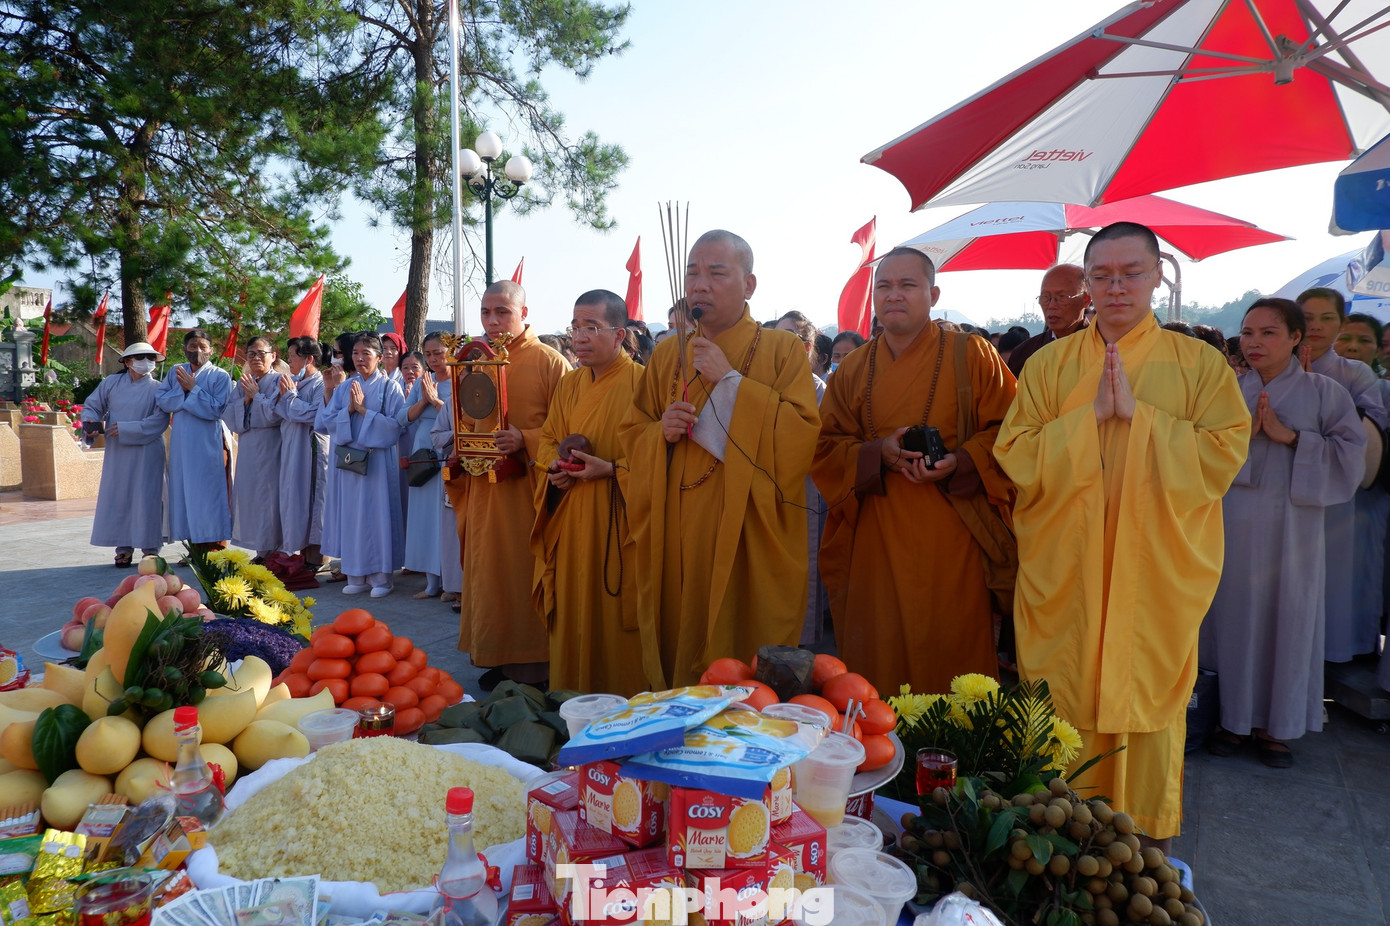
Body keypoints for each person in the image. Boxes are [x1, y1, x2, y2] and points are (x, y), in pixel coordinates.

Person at [994, 222, 1250, 845]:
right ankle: (1049, 842)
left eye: (1131, 273)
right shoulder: (1049, 365)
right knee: (1063, 688)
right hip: (1068, 568)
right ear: (1086, 284)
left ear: (1157, 275)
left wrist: (1143, 420)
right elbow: (1016, 454)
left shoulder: (1200, 365)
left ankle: (1143, 844)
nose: (1116, 287)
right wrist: (1089, 420)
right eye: (1102, 276)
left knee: (1144, 691)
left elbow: (1225, 453)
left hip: (1153, 568)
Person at [620, 230, 820, 688]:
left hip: (748, 528)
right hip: (675, 526)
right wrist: (661, 432)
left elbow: (799, 438)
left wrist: (730, 382)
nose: (700, 285)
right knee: (678, 639)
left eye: (716, 273)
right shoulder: (667, 352)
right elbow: (633, 431)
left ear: (749, 285)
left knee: (740, 658)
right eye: (692, 273)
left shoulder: (782, 349)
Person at [813, 248, 1017, 694]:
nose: (894, 295)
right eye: (884, 286)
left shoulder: (973, 355)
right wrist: (876, 454)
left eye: (907, 285)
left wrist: (961, 461)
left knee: (951, 650)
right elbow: (825, 446)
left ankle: (956, 738)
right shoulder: (853, 368)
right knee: (878, 650)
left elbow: (1013, 432)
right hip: (875, 535)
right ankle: (877, 731)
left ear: (933, 294)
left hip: (953, 533)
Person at [1201, 298, 1363, 768]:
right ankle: (1230, 720)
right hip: (1231, 524)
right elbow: (1198, 451)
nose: (1254, 342)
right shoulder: (1227, 390)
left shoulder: (1325, 393)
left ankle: (1277, 727)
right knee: (1231, 616)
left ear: (1296, 338)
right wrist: (1243, 436)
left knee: (1288, 618)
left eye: (1269, 332)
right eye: (1249, 332)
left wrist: (1293, 438)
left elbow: (1352, 458)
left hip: (1295, 533)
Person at [438, 281, 568, 688]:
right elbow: (470, 420)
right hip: (484, 488)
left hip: (527, 491)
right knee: (487, 571)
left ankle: (535, 666)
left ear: (523, 313)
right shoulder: (476, 361)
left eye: (502, 312)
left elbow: (571, 429)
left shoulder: (549, 362)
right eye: (486, 312)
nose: (492, 321)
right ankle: (499, 656)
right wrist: (463, 446)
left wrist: (524, 438)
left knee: (522, 572)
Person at [530, 290, 647, 694]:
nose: (579, 337)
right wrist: (556, 467)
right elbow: (549, 439)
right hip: (570, 517)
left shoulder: (642, 384)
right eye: (575, 327)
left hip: (617, 519)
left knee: (612, 614)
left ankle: (622, 705)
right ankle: (570, 701)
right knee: (571, 608)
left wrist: (612, 470)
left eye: (591, 328)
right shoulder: (570, 383)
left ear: (619, 335)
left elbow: (660, 458)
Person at [1298, 287, 1389, 663]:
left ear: (1340, 322)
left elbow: (1368, 431)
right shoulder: (1275, 365)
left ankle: (1335, 653)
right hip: (1285, 490)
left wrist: (1315, 397)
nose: (1316, 327)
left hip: (1340, 495)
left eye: (1327, 318)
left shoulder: (1354, 373)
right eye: (1307, 318)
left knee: (1338, 577)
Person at [315, 333, 405, 597]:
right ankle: (356, 574)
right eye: (355, 353)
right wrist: (350, 410)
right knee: (352, 517)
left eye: (366, 353)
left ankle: (381, 578)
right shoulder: (345, 387)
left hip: (377, 463)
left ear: (380, 357)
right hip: (350, 463)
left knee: (378, 516)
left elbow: (395, 428)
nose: (360, 358)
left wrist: (364, 411)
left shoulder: (390, 388)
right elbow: (327, 422)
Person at [83, 342, 169, 566]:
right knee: (120, 496)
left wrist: (127, 429)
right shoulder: (111, 383)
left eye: (151, 358)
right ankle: (123, 547)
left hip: (148, 451)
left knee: (148, 498)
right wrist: (90, 421)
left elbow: (160, 420)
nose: (147, 362)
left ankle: (151, 548)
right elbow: (93, 405)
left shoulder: (159, 388)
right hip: (118, 450)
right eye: (141, 357)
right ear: (128, 361)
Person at [776, 311, 831, 646]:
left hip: (804, 491)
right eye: (775, 336)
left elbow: (814, 442)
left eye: (791, 337)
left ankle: (802, 648)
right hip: (766, 492)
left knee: (803, 572)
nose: (780, 344)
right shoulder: (763, 382)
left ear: (808, 346)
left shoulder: (818, 389)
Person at [158, 328, 234, 550]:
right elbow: (162, 400)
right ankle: (194, 546)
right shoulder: (175, 372)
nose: (198, 351)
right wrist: (184, 392)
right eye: (193, 346)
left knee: (208, 494)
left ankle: (214, 547)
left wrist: (193, 389)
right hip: (182, 446)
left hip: (208, 445)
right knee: (185, 494)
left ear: (211, 350)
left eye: (202, 347)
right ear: (184, 349)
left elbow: (217, 409)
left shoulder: (220, 376)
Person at [224, 336, 283, 558]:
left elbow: (275, 415)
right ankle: (261, 549)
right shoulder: (244, 383)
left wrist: (256, 396)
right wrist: (246, 400)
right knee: (253, 498)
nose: (256, 358)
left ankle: (276, 551)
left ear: (273, 356)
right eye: (251, 354)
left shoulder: (280, 381)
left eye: (261, 353)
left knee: (271, 497)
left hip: (271, 446)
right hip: (248, 447)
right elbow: (229, 415)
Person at [400, 335, 449, 599]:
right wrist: (423, 400)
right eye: (428, 355)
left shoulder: (461, 380)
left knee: (444, 518)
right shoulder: (423, 382)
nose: (433, 360)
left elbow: (463, 420)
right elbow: (402, 417)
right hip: (422, 454)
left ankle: (450, 582)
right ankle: (431, 581)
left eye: (438, 353)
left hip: (446, 452)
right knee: (423, 518)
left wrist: (437, 402)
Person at [275, 336, 328, 568]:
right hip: (292, 449)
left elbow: (313, 415)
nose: (289, 361)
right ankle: (300, 552)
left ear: (309, 359)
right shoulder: (293, 383)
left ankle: (317, 557)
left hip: (312, 449)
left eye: (292, 356)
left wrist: (290, 398)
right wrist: (289, 399)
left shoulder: (321, 384)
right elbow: (281, 410)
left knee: (314, 499)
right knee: (296, 499)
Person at [1007, 264, 1091, 378]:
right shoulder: (1024, 353)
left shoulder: (1102, 347)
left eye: (1061, 297)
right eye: (1045, 297)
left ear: (1086, 300)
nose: (1051, 306)